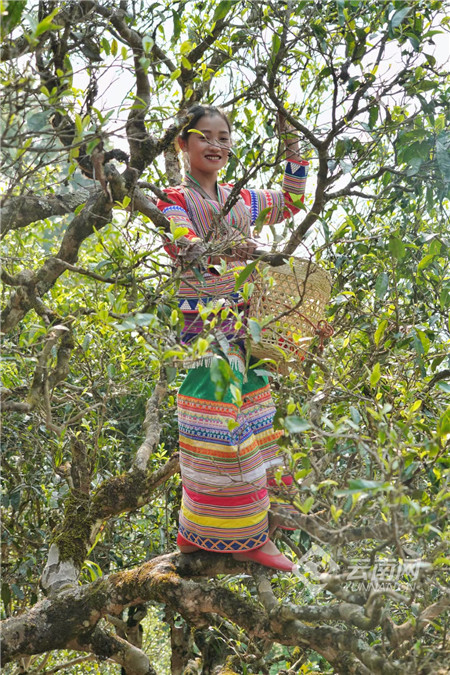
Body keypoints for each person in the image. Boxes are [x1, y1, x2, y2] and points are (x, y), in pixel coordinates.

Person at [156, 105, 309, 572]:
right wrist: (223, 249)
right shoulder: (173, 199)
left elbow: (292, 200)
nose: (217, 145)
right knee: (219, 428)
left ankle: (199, 530)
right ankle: (243, 537)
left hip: (248, 327)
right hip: (206, 328)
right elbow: (183, 243)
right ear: (183, 143)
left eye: (224, 138)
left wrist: (292, 142)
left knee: (256, 422)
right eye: (205, 136)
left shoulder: (241, 201)